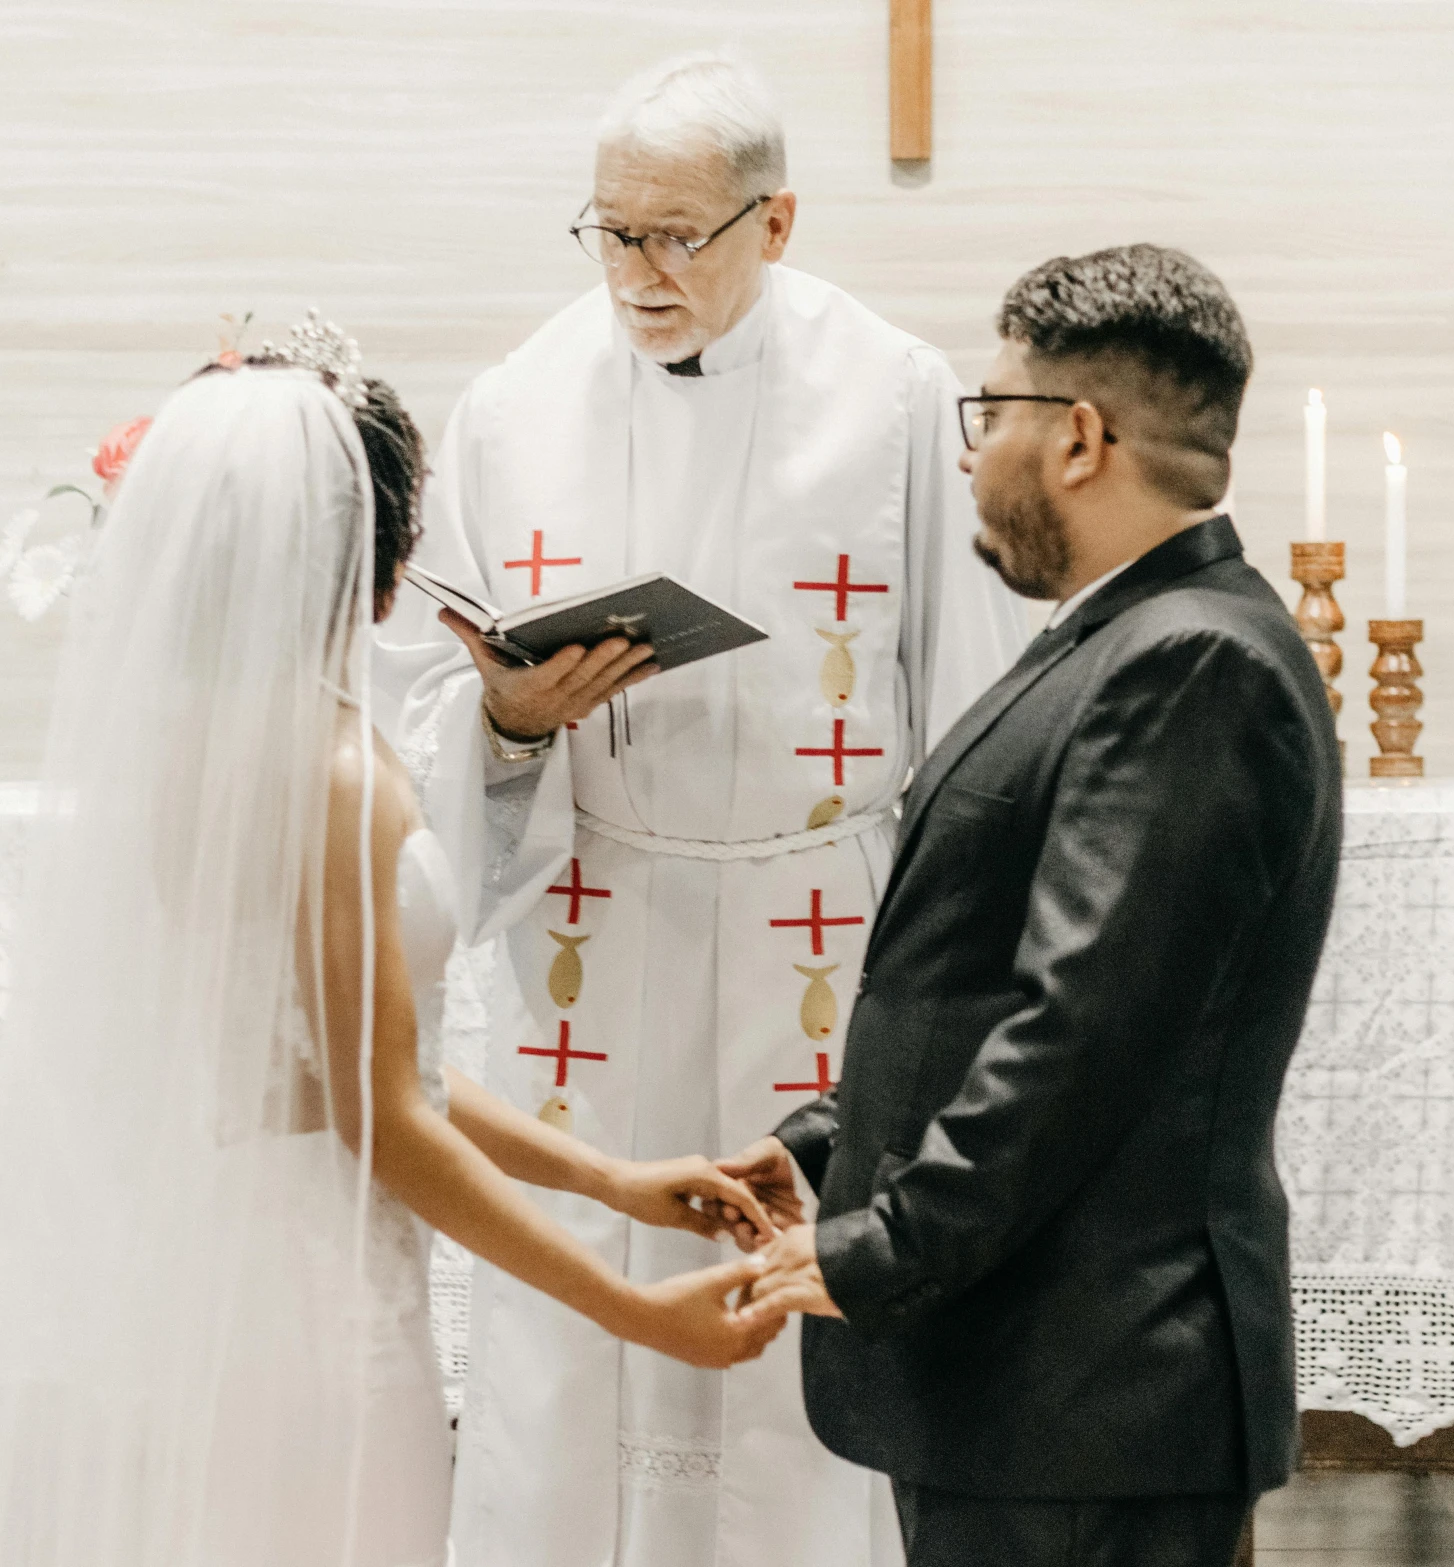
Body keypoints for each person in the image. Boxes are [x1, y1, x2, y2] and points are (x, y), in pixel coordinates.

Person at [0, 332, 783, 1567]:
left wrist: (609, 1181)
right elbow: (379, 1112)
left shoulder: (197, 753)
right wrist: (630, 1309)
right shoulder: (329, 774)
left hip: (233, 1257)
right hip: (315, 1302)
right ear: (386, 567)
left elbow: (353, 1057)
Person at [376, 52, 1026, 1567]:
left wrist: (944, 962)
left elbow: (973, 694)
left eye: (678, 234)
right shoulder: (513, 401)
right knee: (571, 1305)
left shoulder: (896, 392)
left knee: (801, 1285)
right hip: (588, 929)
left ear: (775, 220)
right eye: (611, 230)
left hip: (820, 921)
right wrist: (504, 717)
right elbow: (433, 683)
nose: (639, 271)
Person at [731, 245, 1345, 1567]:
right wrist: (821, 1149)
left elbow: (1082, 1026)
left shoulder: (1188, 661)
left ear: (1075, 437)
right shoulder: (1126, 636)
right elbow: (1001, 976)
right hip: (1040, 1380)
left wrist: (884, 1244)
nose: (970, 454)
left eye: (987, 411)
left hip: (1090, 1383)